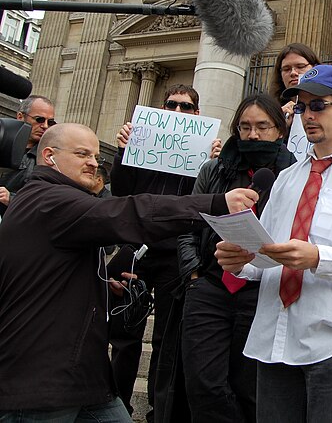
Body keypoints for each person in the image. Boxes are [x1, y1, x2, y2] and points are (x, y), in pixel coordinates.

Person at [0, 123, 256, 421]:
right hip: (40, 382)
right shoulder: (50, 200)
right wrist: (215, 203)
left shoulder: (52, 200)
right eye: (82, 153)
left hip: (82, 376)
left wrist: (101, 285)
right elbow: (129, 213)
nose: (93, 162)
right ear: (49, 156)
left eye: (96, 156)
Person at [215, 64, 332, 422]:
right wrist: (240, 260)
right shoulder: (287, 179)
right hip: (274, 339)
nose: (307, 116)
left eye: (319, 105)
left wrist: (319, 257)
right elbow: (266, 255)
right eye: (302, 107)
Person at [178, 94, 295, 423]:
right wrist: (193, 274)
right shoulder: (214, 170)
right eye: (245, 127)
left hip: (261, 293)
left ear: (280, 130)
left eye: (262, 126)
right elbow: (189, 223)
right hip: (210, 288)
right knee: (203, 383)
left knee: (249, 386)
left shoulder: (293, 175)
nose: (253, 135)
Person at [110, 83, 221, 421]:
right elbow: (121, 191)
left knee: (165, 340)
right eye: (172, 105)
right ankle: (117, 407)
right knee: (125, 335)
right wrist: (123, 153)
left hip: (175, 251)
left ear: (196, 114)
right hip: (137, 249)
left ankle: (160, 411)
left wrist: (212, 163)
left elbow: (202, 201)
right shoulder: (141, 144)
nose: (178, 112)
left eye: (186, 108)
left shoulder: (206, 155)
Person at [0, 94, 56, 215]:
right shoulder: (3, 141)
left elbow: (46, 201)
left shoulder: (49, 159)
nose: (45, 126)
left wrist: (11, 198)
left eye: (50, 122)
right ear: (20, 116)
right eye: (39, 119)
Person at [268, 43, 320, 126]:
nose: (293, 73)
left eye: (300, 67)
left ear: (315, 68)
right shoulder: (270, 111)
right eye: (286, 69)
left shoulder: (330, 104)